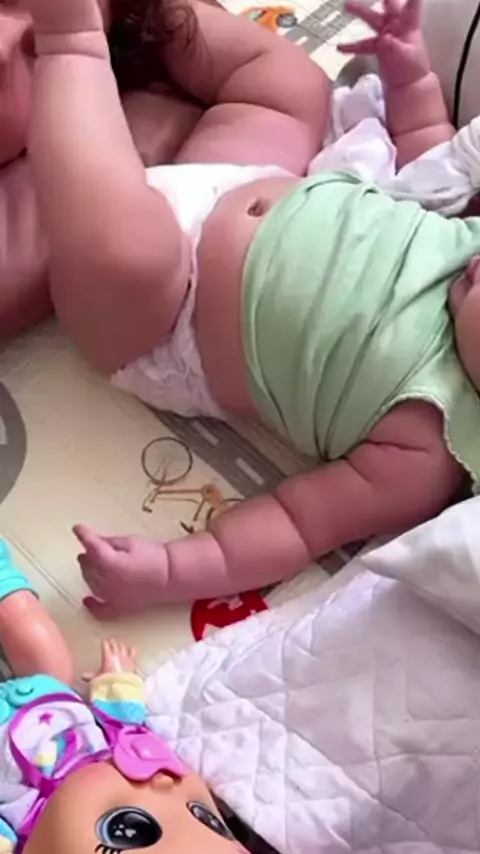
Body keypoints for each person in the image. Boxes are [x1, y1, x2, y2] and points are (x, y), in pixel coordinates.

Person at [21, 0, 480, 617]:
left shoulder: (426, 448)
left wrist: (169, 572)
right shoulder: (468, 248)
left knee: (126, 252)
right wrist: (411, 78)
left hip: (166, 317)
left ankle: (70, 43)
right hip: (238, 178)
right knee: (292, 86)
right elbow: (428, 159)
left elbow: (296, 524)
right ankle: (141, 16)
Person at [0, 546, 244, 854]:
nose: (163, 784)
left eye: (126, 829)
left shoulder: (20, 832)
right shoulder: (125, 760)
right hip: (49, 695)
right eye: (205, 816)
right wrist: (116, 681)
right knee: (43, 647)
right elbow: (125, 726)